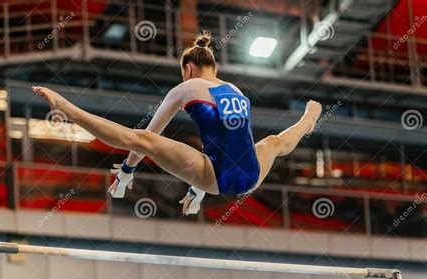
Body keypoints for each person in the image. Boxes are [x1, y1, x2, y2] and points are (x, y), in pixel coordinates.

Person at [33, 30, 322, 215]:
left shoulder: (186, 88)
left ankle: (68, 109)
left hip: (214, 176)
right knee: (274, 143)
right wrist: (197, 190)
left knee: (142, 139)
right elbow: (231, 141)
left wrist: (127, 171)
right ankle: (308, 119)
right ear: (215, 68)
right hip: (251, 175)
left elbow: (148, 136)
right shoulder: (235, 91)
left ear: (188, 68)